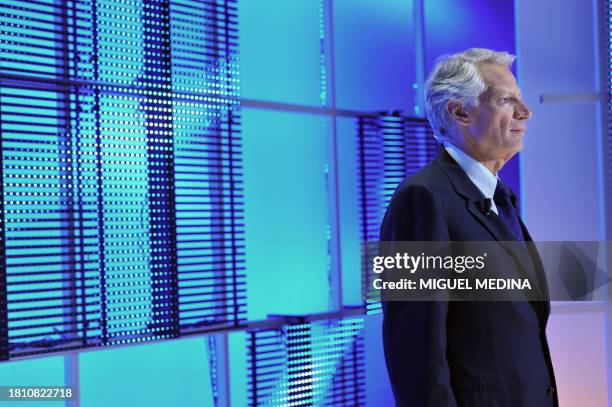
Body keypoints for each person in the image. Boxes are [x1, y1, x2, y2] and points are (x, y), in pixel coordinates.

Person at [379, 48, 558, 406]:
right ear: (460, 111)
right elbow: (415, 351)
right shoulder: (423, 198)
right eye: (507, 100)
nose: (525, 112)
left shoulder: (501, 197)